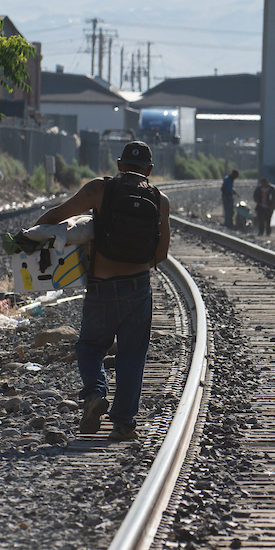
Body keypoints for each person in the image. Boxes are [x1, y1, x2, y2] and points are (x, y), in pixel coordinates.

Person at [34, 141, 171, 442]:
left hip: (101, 287)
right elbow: (161, 254)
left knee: (90, 347)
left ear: (120, 165)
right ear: (149, 169)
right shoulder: (160, 200)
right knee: (132, 356)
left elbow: (57, 215)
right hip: (138, 288)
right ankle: (123, 424)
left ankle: (95, 392)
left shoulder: (99, 189)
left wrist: (29, 240)